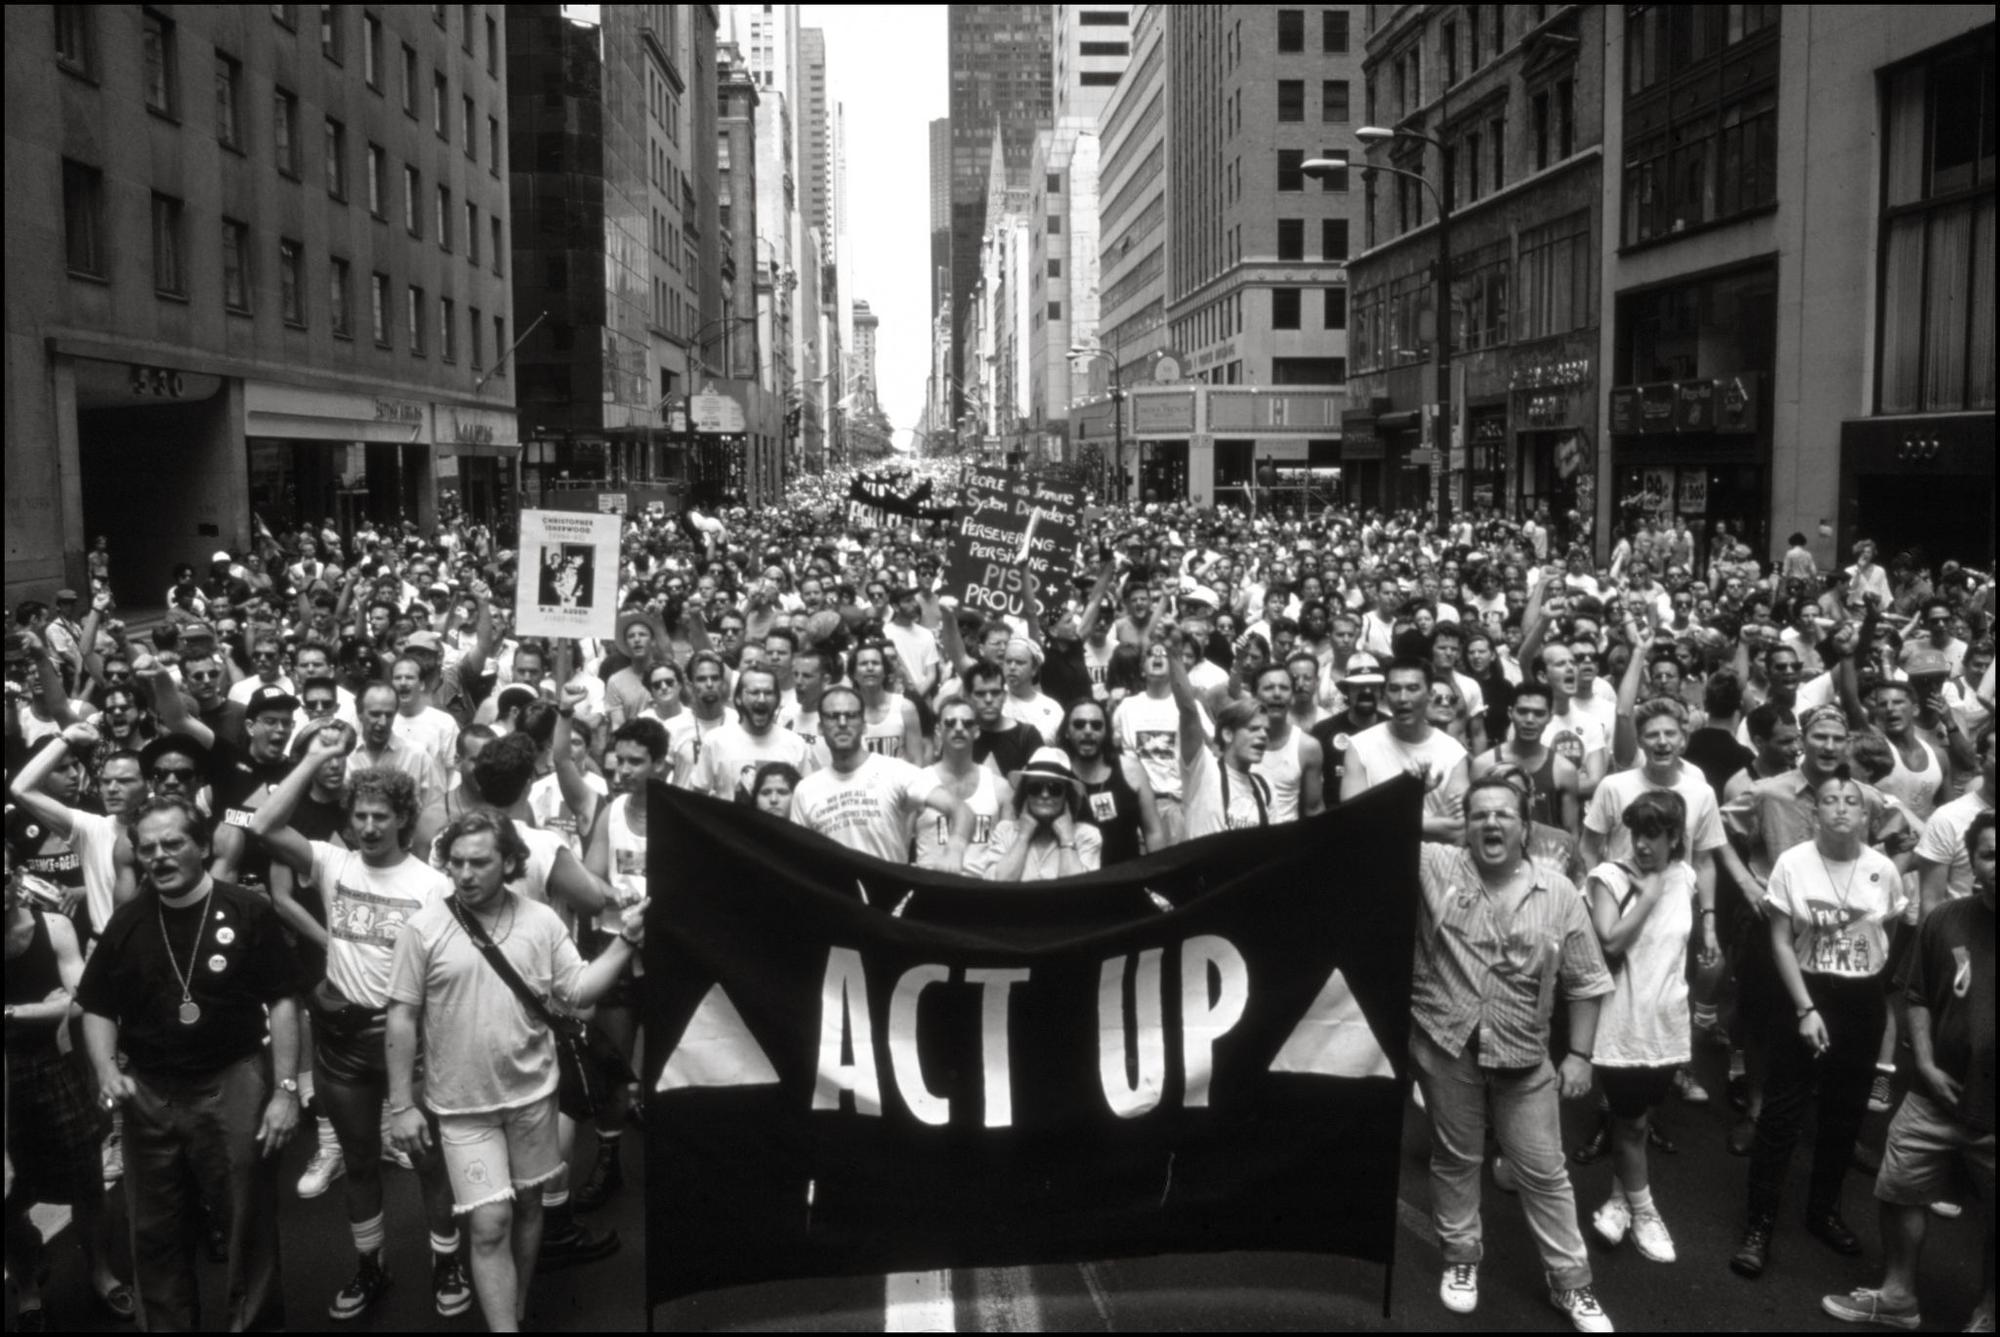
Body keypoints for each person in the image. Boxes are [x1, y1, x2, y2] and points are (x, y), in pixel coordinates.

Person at [385, 811, 646, 1333]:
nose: (465, 874)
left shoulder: (541, 921)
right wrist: (400, 1104)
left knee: (529, 1207)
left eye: (479, 862)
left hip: (533, 1097)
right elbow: (402, 1015)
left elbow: (577, 994)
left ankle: (516, 1306)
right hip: (462, 1106)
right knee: (488, 1224)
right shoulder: (425, 928)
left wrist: (627, 940)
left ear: (508, 862)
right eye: (455, 862)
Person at [248, 730, 470, 1318]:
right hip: (341, 1044)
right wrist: (317, 757)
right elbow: (263, 826)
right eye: (360, 815)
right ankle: (371, 1265)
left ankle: (446, 1259)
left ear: (403, 819)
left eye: (381, 816)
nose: (369, 827)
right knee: (359, 1159)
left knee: (429, 1161)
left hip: (410, 1045)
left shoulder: (433, 885)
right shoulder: (332, 862)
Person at [78, 796, 305, 1331]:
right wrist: (107, 1069)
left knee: (245, 1225)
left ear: (202, 846)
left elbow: (285, 1001)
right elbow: (95, 1006)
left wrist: (287, 1088)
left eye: (172, 843)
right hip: (150, 1093)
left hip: (233, 1081)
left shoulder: (248, 910)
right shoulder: (127, 923)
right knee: (153, 1233)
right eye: (148, 847)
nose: (159, 856)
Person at [1411, 776, 1614, 1332]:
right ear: (1465, 827)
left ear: (1526, 828)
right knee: (1456, 1160)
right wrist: (1422, 803)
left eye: (1504, 815)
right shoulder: (1435, 866)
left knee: (1545, 1171)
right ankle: (1461, 1260)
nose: (1491, 824)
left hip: (1525, 1055)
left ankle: (1571, 1283)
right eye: (1479, 816)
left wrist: (1579, 1055)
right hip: (1445, 1045)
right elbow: (1369, 830)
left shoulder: (1560, 893)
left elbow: (1589, 982)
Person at [1820, 809, 1994, 1331]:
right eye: (1990, 853)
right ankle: (1898, 1298)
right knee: (1900, 1188)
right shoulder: (1946, 919)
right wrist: (1921, 1059)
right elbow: (1916, 995)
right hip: (1933, 1092)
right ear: (1975, 862)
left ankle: (1990, 1311)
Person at [1733, 766, 1908, 1279]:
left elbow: (1889, 929)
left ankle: (1823, 1211)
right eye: (1830, 799)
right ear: (1816, 810)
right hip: (1807, 995)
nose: (1840, 807)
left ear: (1866, 813)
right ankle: (1758, 1224)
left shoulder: (1883, 869)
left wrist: (1865, 977)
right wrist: (1806, 1008)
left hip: (1861, 1000)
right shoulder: (1793, 863)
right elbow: (1781, 940)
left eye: (1851, 801)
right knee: (1783, 1114)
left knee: (1844, 1112)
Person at [1585, 790, 1718, 1266]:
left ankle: (1620, 1200)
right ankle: (1645, 1212)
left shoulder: (1685, 876)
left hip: (1666, 1023)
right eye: (1636, 833)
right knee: (1632, 1122)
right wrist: (1647, 896)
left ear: (1674, 837)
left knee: (1636, 1123)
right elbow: (1611, 941)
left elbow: (1675, 949)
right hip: (1622, 1021)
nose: (1641, 845)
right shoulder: (1608, 877)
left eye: (1653, 835)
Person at [4, 848, 133, 1327]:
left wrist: (11, 1013)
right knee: (6, 1195)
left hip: (52, 1067)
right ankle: (25, 1286)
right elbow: (61, 1003)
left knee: (87, 1183)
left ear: (16, 876)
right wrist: (45, 1006)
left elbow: (82, 1001)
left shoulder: (52, 927)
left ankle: (100, 1272)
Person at [789, 685, 973, 869]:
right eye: (833, 716)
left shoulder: (895, 772)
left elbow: (960, 810)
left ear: (864, 726)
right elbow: (798, 858)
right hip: (835, 894)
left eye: (851, 715)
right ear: (820, 728)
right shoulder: (806, 790)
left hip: (888, 891)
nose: (843, 723)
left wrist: (955, 849)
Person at [1341, 658, 1469, 841]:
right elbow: (1352, 820)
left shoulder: (1453, 752)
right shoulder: (1360, 746)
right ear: (1384, 694)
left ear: (1430, 695)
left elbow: (1457, 828)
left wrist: (1380, 819)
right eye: (1394, 689)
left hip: (1434, 863)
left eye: (1412, 689)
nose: (1402, 698)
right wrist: (1430, 821)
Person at [967, 747, 1104, 879]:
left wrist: (1067, 839)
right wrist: (1023, 837)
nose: (1044, 795)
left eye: (1054, 788)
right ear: (1025, 793)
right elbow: (999, 883)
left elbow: (1079, 891)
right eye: (1035, 788)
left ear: (1067, 795)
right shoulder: (1004, 831)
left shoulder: (1087, 836)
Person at [1057, 697, 1160, 865]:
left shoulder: (1131, 770)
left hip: (1127, 878)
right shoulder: (1058, 775)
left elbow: (1153, 832)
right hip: (1077, 882)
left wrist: (1159, 874)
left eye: (1096, 725)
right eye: (1079, 724)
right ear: (1066, 732)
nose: (1088, 730)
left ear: (1106, 732)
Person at [917, 696, 1009, 866]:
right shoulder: (919, 782)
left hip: (982, 888)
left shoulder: (1000, 788)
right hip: (930, 885)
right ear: (938, 730)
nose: (959, 728)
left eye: (967, 723)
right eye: (950, 723)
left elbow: (1008, 850)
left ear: (977, 731)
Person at [1250, 663, 1326, 822]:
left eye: (1284, 688)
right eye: (1269, 688)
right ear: (1254, 695)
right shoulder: (1238, 740)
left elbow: (1314, 809)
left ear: (1292, 696)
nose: (1277, 694)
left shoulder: (1307, 747)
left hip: (1287, 840)